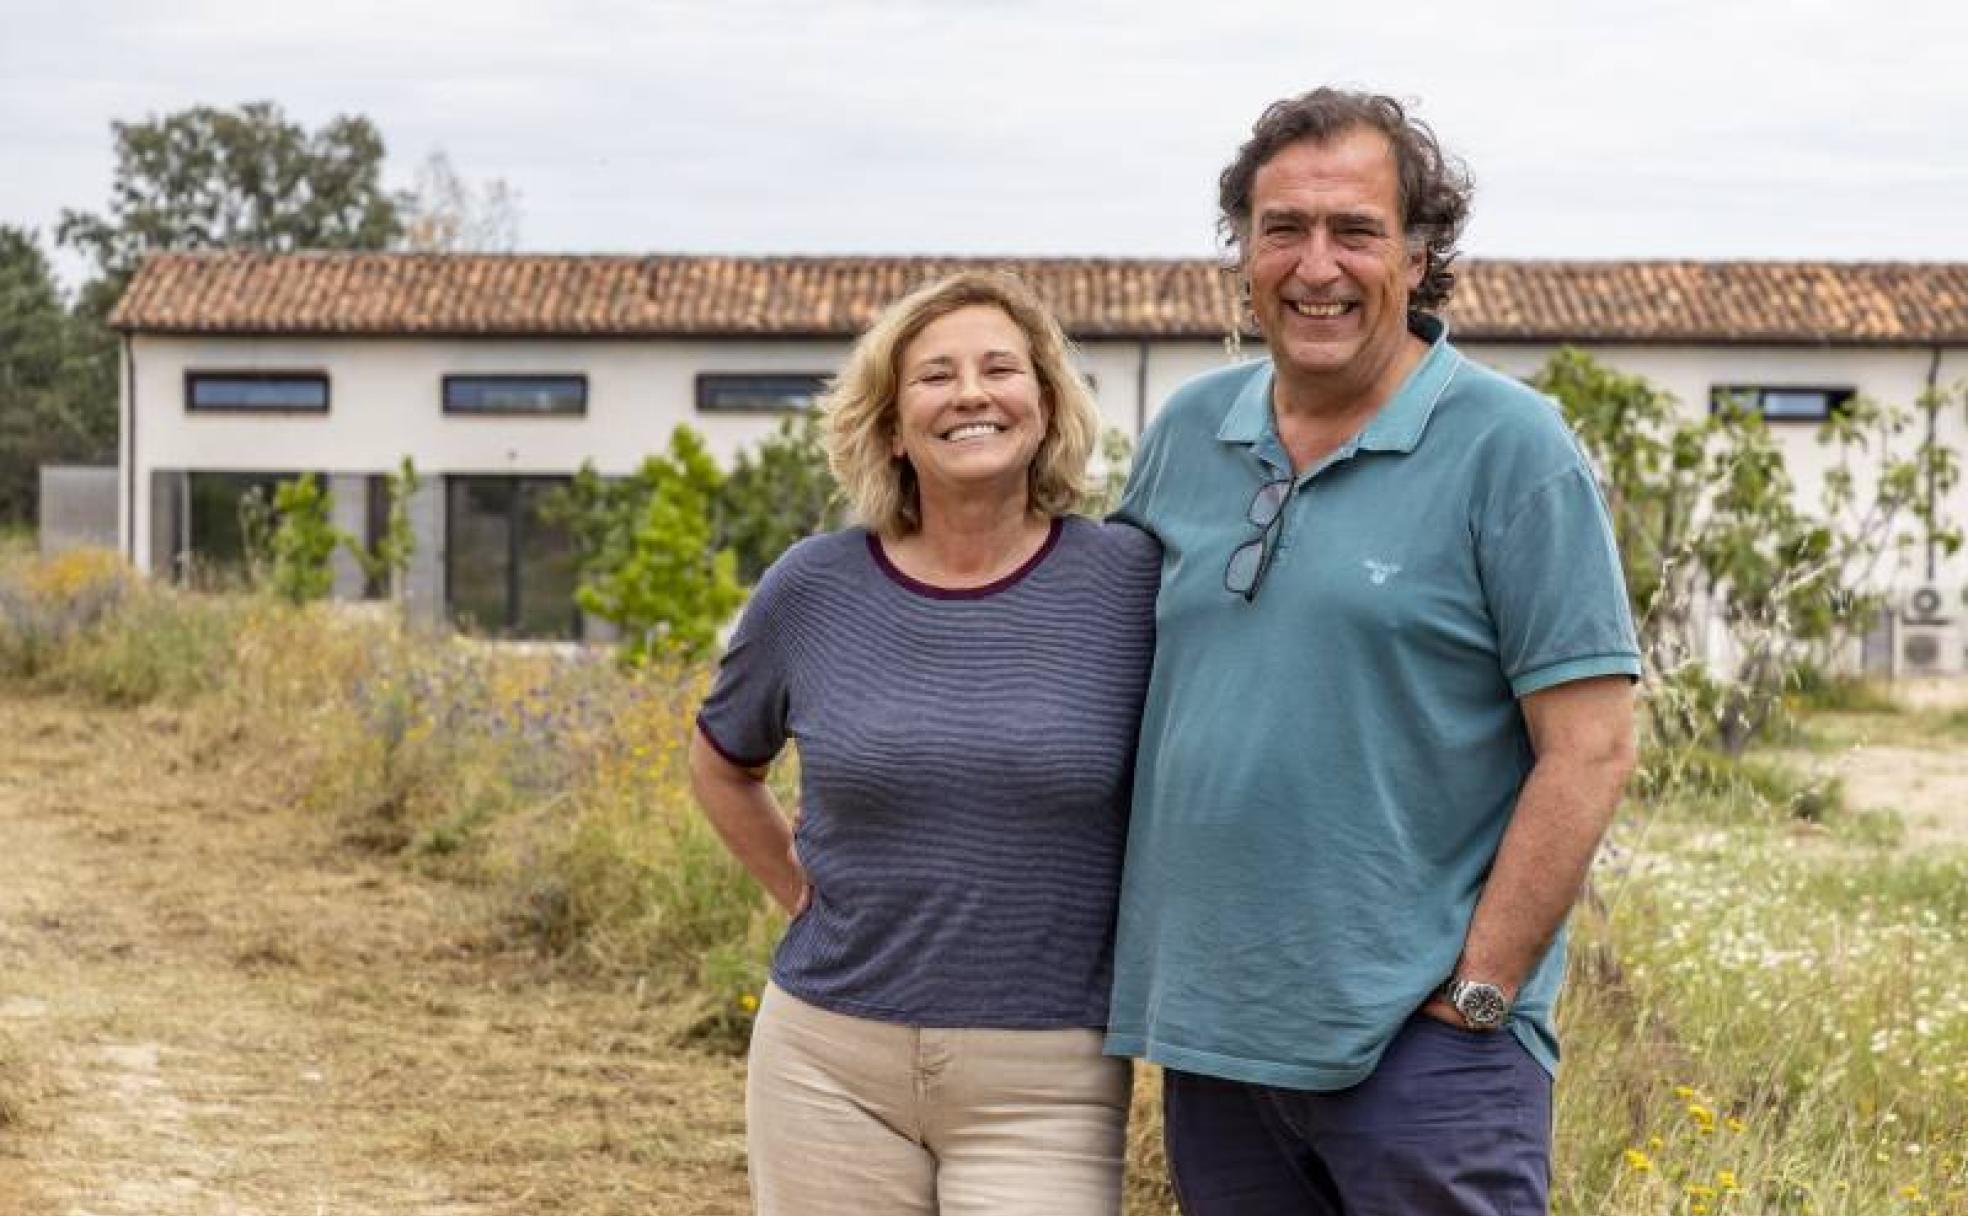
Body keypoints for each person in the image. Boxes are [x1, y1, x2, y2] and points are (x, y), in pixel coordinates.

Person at [1106, 87, 1642, 1214]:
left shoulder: (1511, 447)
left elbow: (1588, 749)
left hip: (1424, 1054)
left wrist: (1482, 994)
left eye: (1354, 230)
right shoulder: (1186, 434)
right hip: (1217, 1041)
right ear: (1243, 251)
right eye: (1282, 229)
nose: (1317, 266)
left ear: (1418, 250)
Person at [690, 271, 1160, 1215]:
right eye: (935, 376)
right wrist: (798, 891)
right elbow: (721, 763)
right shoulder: (811, 588)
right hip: (826, 1058)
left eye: (1000, 368)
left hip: (1049, 1075)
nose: (972, 393)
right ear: (894, 427)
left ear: (1046, 405)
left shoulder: (1131, 583)